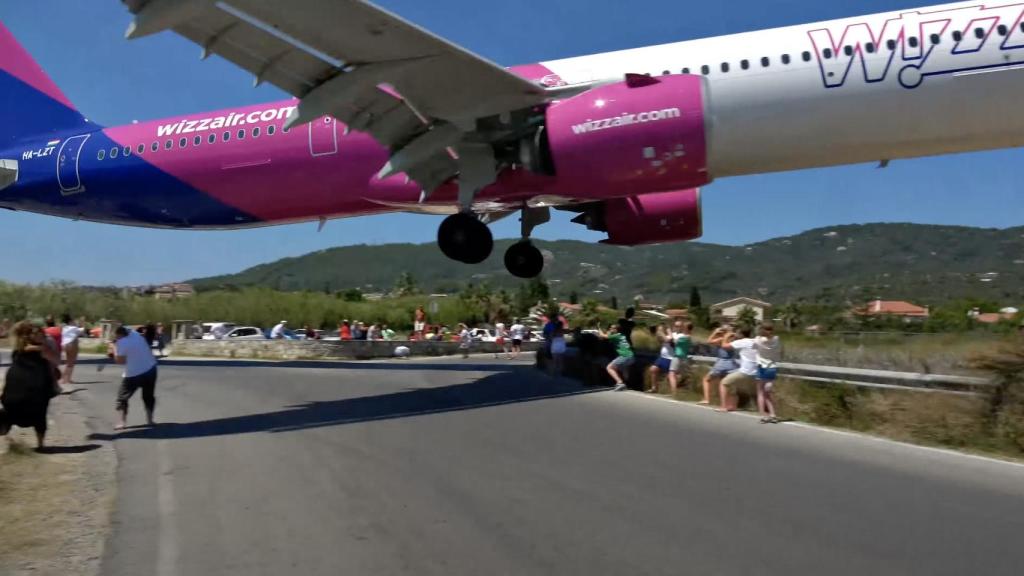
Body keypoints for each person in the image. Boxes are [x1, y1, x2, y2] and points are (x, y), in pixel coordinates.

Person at [1, 322, 61, 449]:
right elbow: (56, 360)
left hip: (29, 386)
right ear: (29, 335)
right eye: (39, 333)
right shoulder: (26, 348)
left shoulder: (23, 347)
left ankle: (40, 445)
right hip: (22, 387)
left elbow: (55, 360)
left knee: (34, 413)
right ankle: (40, 445)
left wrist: (44, 349)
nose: (43, 335)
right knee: (35, 413)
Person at [109, 325, 159, 430]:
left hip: (134, 374)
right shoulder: (134, 333)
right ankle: (150, 420)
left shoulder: (122, 343)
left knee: (122, 398)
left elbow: (120, 361)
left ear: (119, 335)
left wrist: (114, 347)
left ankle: (122, 422)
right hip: (151, 368)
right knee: (148, 396)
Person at [718, 326, 759, 412]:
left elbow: (724, 346)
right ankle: (733, 406)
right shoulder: (755, 341)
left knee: (724, 383)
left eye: (737, 333)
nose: (736, 334)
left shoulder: (742, 342)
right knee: (741, 387)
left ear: (741, 334)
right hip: (756, 372)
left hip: (745, 372)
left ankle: (723, 406)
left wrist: (727, 336)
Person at [702, 326, 739, 406]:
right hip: (732, 364)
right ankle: (729, 403)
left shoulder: (722, 339)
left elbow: (709, 341)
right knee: (726, 383)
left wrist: (715, 332)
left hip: (721, 363)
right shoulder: (734, 340)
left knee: (706, 379)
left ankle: (706, 399)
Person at [755, 324, 782, 424]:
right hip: (772, 367)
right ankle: (773, 414)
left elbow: (754, 347)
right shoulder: (776, 339)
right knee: (768, 393)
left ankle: (763, 415)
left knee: (761, 393)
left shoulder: (758, 339)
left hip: (762, 367)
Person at [599, 324, 634, 391]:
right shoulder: (622, 335)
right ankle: (628, 384)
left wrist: (599, 328)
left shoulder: (615, 336)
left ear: (616, 330)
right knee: (624, 369)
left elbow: (603, 336)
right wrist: (609, 332)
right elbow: (608, 337)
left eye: (612, 328)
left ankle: (620, 383)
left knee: (609, 367)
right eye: (610, 328)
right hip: (631, 356)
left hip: (625, 356)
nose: (610, 329)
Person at [669, 321, 694, 395]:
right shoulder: (689, 337)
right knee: (679, 375)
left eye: (684, 327)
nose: (682, 328)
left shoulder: (685, 337)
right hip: (684, 357)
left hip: (678, 357)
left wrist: (669, 333)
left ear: (686, 328)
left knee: (671, 374)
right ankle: (681, 389)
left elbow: (674, 342)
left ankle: (674, 392)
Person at [646, 325, 673, 393]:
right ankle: (654, 388)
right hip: (662, 357)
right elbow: (660, 340)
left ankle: (673, 391)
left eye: (661, 330)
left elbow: (668, 340)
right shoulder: (663, 336)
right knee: (653, 369)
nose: (659, 331)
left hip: (669, 358)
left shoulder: (671, 336)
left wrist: (662, 332)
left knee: (669, 376)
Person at [60, 313, 85, 386]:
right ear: (70, 321)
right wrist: (83, 322)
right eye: (73, 320)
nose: (75, 322)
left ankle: (68, 379)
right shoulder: (73, 328)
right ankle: (63, 379)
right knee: (70, 363)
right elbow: (83, 330)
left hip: (65, 345)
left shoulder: (65, 328)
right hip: (72, 345)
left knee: (69, 363)